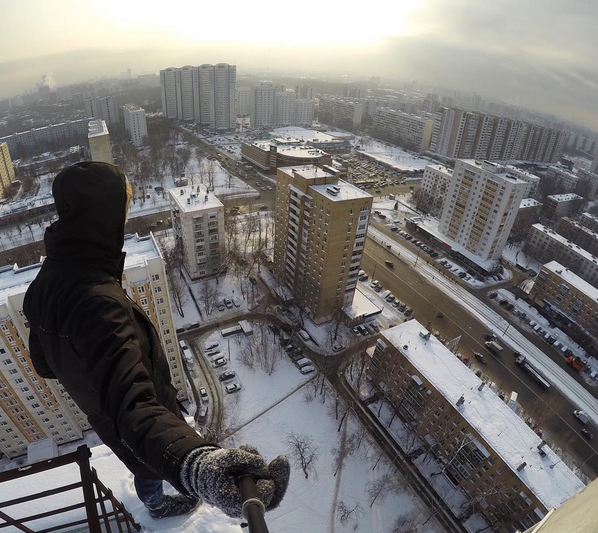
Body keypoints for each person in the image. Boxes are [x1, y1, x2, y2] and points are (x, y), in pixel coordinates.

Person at [23, 162, 289, 519]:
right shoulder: (98, 301)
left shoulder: (41, 287)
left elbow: (43, 365)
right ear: (104, 217)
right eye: (124, 209)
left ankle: (152, 495)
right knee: (147, 466)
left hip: (104, 414)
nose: (126, 218)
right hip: (137, 421)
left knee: (139, 460)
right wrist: (196, 466)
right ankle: (156, 504)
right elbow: (133, 406)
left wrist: (95, 378)